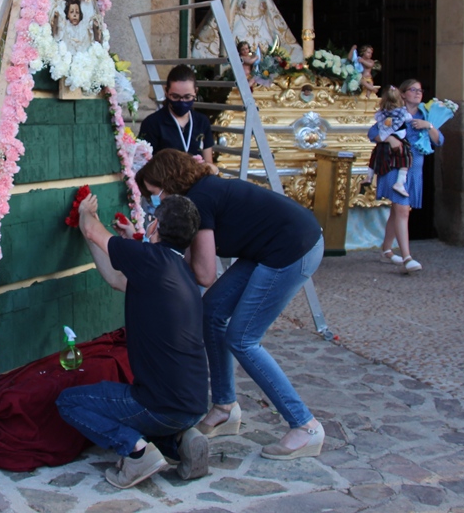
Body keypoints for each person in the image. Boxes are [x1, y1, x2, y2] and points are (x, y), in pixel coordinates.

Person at [136, 149, 326, 461]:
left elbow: (204, 273)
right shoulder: (200, 192)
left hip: (293, 248)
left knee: (243, 338)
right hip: (268, 247)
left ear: (169, 184)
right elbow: (191, 260)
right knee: (211, 312)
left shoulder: (199, 200)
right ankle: (225, 408)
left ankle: (305, 426)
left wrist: (153, 258)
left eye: (155, 193)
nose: (155, 201)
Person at [56, 194, 209, 489]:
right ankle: (181, 441)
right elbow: (116, 279)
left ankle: (137, 453)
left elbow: (91, 230)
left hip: (158, 404)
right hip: (193, 403)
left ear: (154, 227)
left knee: (69, 402)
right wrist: (92, 232)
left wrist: (86, 212)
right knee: (151, 416)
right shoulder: (178, 270)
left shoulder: (151, 259)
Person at [370, 79, 442, 274]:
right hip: (395, 166)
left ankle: (386, 250)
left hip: (414, 170)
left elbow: (439, 140)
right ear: (402, 94)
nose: (418, 93)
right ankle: (407, 258)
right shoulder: (394, 113)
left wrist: (428, 125)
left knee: (399, 210)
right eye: (413, 90)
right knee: (402, 210)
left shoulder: (425, 115)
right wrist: (390, 138)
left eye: (420, 90)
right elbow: (373, 132)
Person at [138, 65, 214, 163]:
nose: (182, 101)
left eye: (187, 97)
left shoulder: (202, 122)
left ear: (195, 92)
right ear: (166, 91)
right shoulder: (152, 123)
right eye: (175, 97)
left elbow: (208, 163)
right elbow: (143, 164)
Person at [362, 86, 412, 198]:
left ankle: (369, 176)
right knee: (406, 159)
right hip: (399, 142)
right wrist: (390, 138)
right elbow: (372, 133)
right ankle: (400, 183)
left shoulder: (382, 114)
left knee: (374, 157)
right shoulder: (403, 113)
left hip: (382, 145)